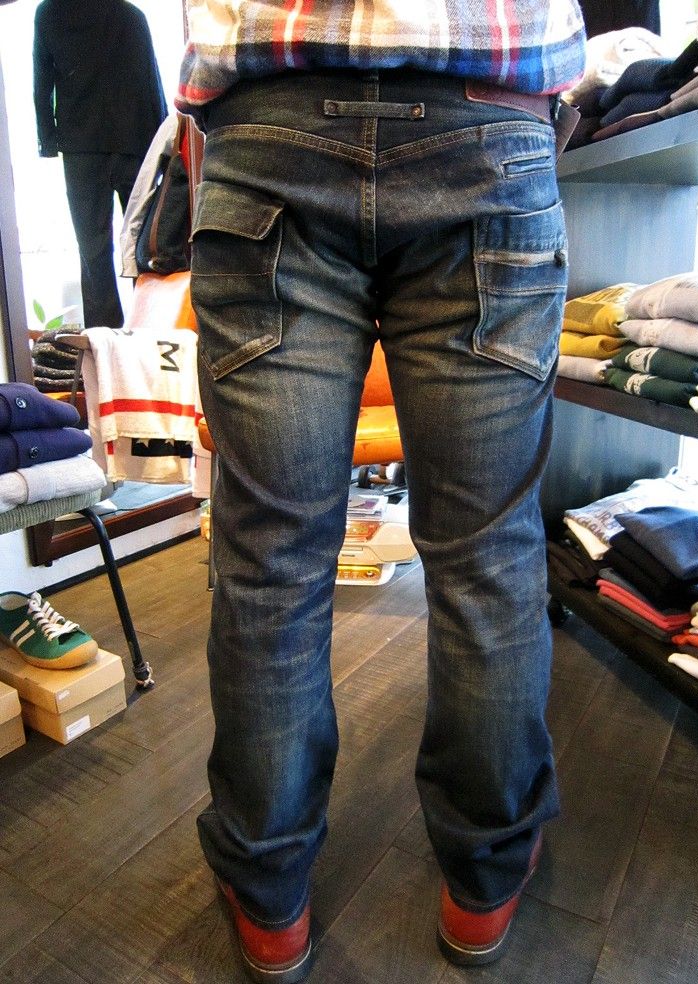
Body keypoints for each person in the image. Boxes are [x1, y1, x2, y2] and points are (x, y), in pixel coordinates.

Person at [177, 2, 585, 981]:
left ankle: (270, 894)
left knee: (271, 562)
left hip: (271, 125)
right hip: (488, 118)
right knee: (489, 556)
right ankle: (484, 880)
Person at [33, 0, 167, 329]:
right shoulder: (131, 16)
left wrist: (48, 141)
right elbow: (150, 83)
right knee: (144, 245)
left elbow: (42, 82)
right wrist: (163, 149)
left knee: (93, 251)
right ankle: (149, 329)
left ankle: (104, 338)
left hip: (80, 148)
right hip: (133, 142)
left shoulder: (49, 12)